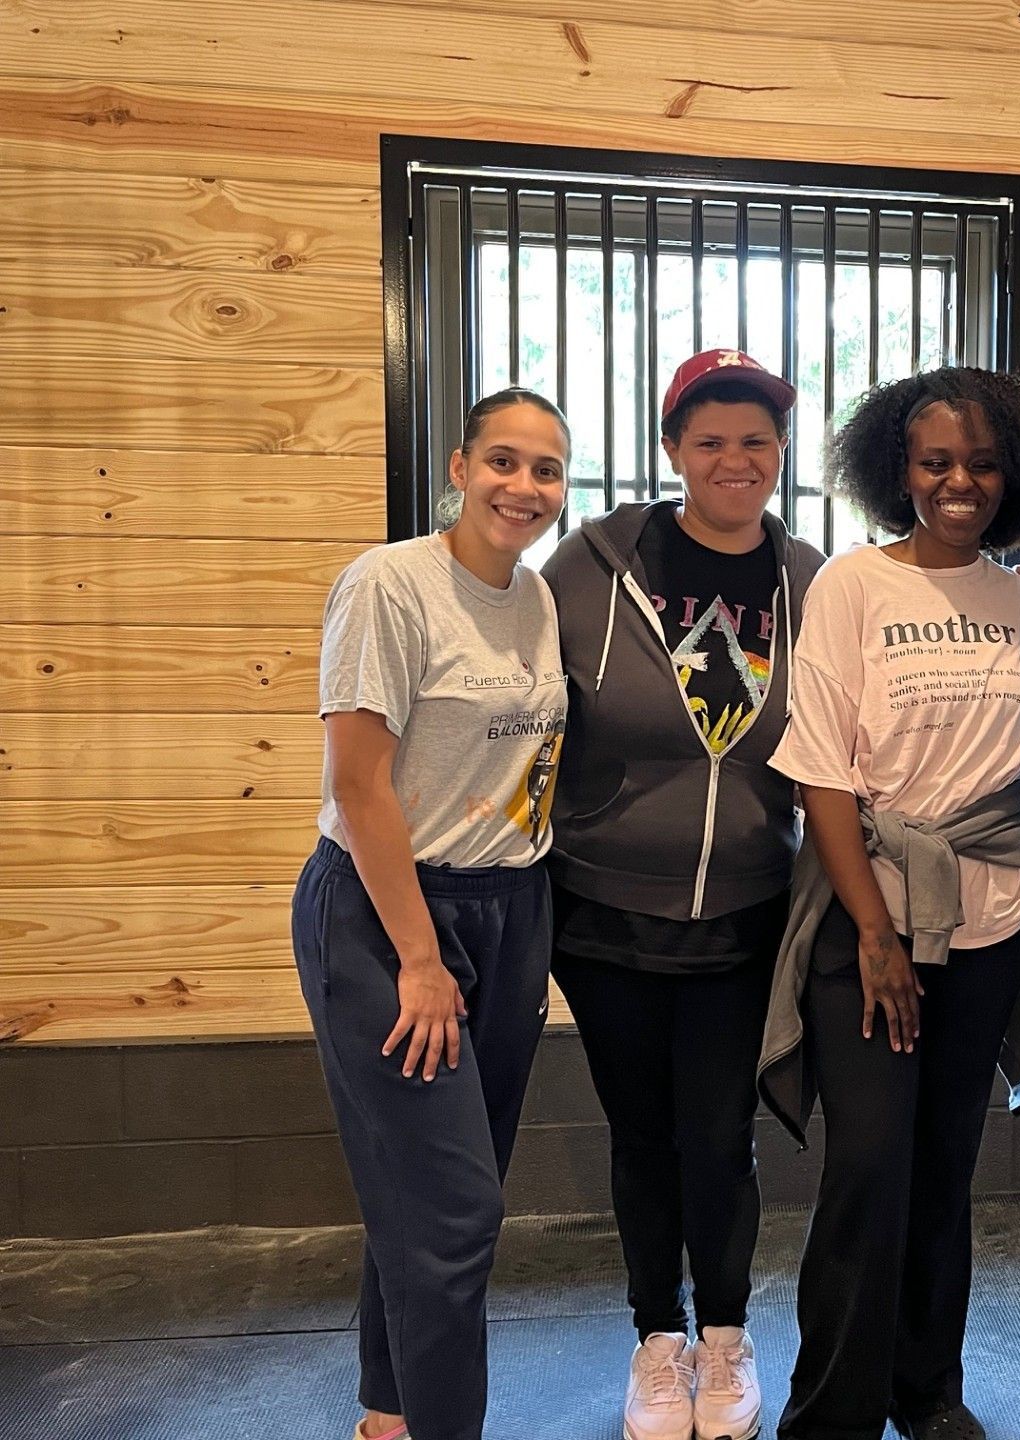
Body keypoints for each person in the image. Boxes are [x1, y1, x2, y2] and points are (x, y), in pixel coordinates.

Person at [756, 367, 1020, 1440]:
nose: (960, 482)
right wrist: (874, 934)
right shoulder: (852, 585)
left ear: (1015, 473)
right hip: (871, 915)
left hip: (994, 918)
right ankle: (830, 1414)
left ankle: (929, 1391)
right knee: (867, 1165)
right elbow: (821, 774)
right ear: (898, 471)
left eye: (983, 464)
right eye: (937, 462)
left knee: (946, 1164)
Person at [541, 349, 825, 1440]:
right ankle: (657, 1339)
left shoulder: (810, 579)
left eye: (756, 440)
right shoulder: (592, 567)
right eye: (709, 440)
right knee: (643, 1136)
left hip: (747, 916)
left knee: (718, 1135)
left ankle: (725, 1337)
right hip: (603, 913)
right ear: (673, 449)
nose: (733, 460)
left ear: (780, 450)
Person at [291, 388, 571, 1440]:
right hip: (390, 915)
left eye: (546, 469)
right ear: (458, 467)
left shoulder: (537, 598)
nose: (524, 486)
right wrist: (418, 957)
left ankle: (389, 1416)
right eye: (503, 460)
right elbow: (359, 784)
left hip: (510, 907)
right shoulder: (389, 585)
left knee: (424, 1199)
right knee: (455, 1214)